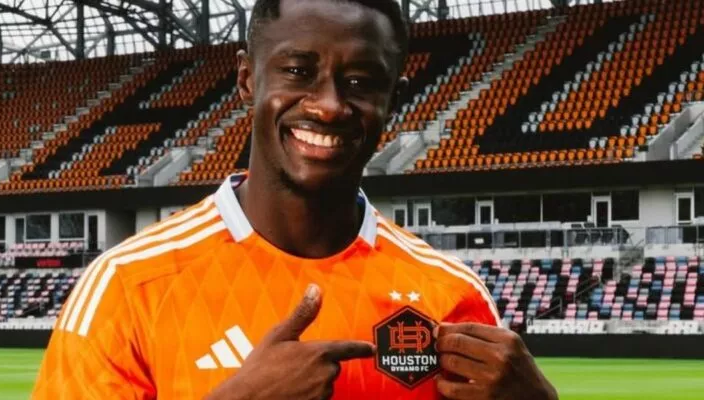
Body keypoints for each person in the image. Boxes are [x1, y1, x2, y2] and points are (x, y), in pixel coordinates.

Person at [32, 0, 558, 398]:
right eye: (298, 72)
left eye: (360, 81)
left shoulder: (452, 294)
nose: (329, 106)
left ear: (392, 99)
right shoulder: (128, 285)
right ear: (247, 80)